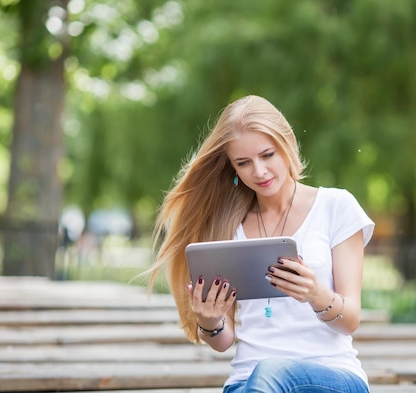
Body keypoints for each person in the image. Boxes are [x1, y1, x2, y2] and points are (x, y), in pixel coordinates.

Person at [150, 95, 375, 393]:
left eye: (267, 155)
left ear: (288, 145)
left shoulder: (336, 206)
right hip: (248, 383)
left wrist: (317, 295)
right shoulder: (226, 227)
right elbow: (223, 342)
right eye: (243, 163)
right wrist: (209, 321)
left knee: (272, 371)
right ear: (232, 168)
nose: (259, 171)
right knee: (263, 377)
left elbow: (351, 320)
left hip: (331, 376)